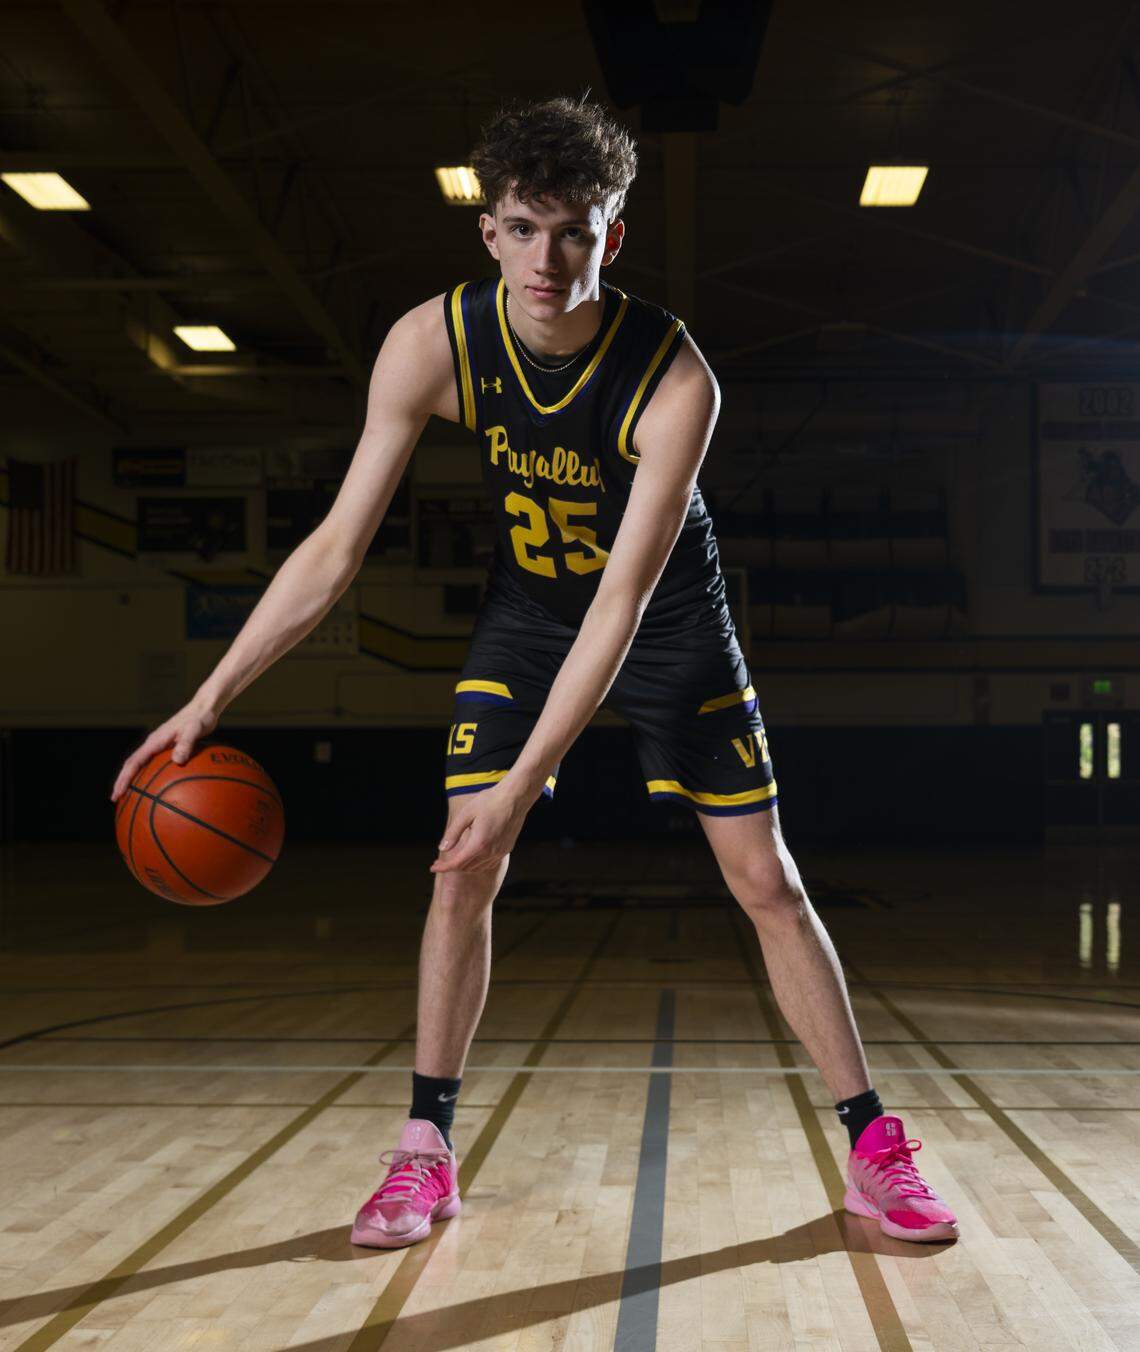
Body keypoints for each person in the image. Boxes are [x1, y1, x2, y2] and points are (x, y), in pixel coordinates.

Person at [111, 95, 958, 1250]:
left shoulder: (675, 379)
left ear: (616, 232)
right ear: (488, 231)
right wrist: (208, 698)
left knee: (766, 880)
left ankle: (872, 1148)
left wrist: (525, 785)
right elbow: (334, 547)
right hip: (529, 612)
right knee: (463, 868)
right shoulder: (431, 341)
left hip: (664, 618)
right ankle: (424, 1152)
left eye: (577, 230)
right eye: (523, 227)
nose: (548, 258)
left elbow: (621, 606)